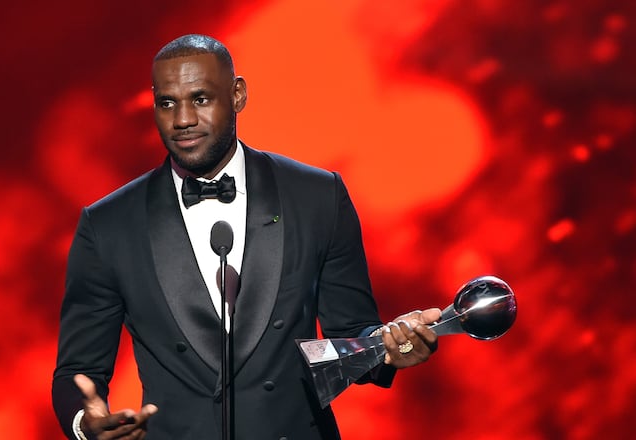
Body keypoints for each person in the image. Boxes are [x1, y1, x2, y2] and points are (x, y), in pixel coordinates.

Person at [52, 34, 440, 440]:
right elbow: (77, 371)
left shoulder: (316, 196)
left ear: (237, 95)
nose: (182, 119)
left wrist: (388, 347)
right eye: (168, 103)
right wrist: (85, 424)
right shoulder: (109, 224)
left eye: (200, 99)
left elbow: (351, 337)